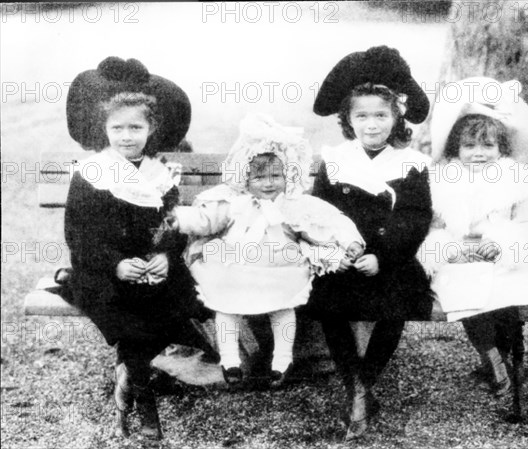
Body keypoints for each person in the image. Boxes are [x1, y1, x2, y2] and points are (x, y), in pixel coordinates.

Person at [63, 57, 215, 440]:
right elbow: (79, 235)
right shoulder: (92, 174)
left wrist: (164, 255)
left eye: (136, 127)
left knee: (180, 304)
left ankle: (128, 378)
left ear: (151, 130)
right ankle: (146, 406)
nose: (127, 135)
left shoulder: (160, 175)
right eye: (118, 128)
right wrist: (115, 264)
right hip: (103, 269)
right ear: (105, 129)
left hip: (153, 266)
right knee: (129, 316)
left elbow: (173, 225)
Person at [169, 113, 365, 389]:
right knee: (225, 305)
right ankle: (229, 359)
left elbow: (326, 223)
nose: (269, 183)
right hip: (234, 265)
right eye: (259, 177)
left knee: (284, 307)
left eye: (276, 176)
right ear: (245, 179)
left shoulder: (293, 205)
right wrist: (177, 218)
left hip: (280, 266)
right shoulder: (236, 203)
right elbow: (207, 219)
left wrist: (348, 241)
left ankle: (282, 359)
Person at [305, 46, 434, 441]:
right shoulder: (337, 159)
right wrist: (335, 250)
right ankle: (354, 386)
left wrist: (382, 255)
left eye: (381, 115)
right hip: (343, 257)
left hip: (390, 259)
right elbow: (320, 213)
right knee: (328, 298)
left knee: (397, 302)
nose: (372, 125)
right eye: (362, 116)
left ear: (397, 117)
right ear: (348, 119)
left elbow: (414, 217)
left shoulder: (409, 163)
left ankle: (364, 383)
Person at [419, 77, 528, 396]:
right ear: (456, 148)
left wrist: (504, 244)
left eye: (488, 145)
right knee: (461, 285)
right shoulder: (442, 181)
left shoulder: (518, 179)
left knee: (507, 288)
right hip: (459, 256)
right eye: (469, 146)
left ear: (501, 147)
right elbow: (433, 227)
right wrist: (448, 250)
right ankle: (491, 356)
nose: (479, 154)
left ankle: (501, 354)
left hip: (505, 256)